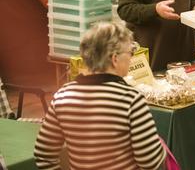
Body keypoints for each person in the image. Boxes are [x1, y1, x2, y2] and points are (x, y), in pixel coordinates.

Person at [34, 22, 166, 169]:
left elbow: (43, 155)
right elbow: (152, 163)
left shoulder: (62, 96)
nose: (131, 58)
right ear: (115, 59)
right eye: (130, 52)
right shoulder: (131, 99)